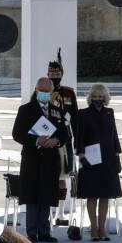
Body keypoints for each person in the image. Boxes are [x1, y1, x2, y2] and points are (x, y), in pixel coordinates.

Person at [11, 77, 70, 243]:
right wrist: (36, 140)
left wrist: (56, 141)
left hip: (50, 160)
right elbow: (17, 134)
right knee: (32, 196)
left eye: (47, 91)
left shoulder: (57, 111)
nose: (44, 94)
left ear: (51, 93)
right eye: (41, 91)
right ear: (36, 91)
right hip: (32, 159)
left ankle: (45, 232)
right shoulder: (25, 109)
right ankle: (31, 233)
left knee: (46, 195)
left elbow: (65, 135)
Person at [76, 83, 122, 241]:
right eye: (95, 96)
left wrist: (117, 155)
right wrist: (81, 155)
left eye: (101, 97)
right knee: (92, 195)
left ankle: (102, 229)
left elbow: (114, 134)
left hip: (108, 158)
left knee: (105, 195)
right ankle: (94, 228)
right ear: (90, 97)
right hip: (90, 159)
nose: (98, 99)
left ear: (105, 98)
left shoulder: (110, 112)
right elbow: (79, 135)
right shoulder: (83, 113)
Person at [47, 49, 78, 226]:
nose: (54, 76)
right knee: (47, 177)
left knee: (62, 177)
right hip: (47, 139)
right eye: (51, 73)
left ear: (62, 74)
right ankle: (47, 213)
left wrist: (78, 141)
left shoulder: (68, 93)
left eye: (57, 73)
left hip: (64, 139)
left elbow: (75, 116)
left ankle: (60, 213)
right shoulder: (42, 91)